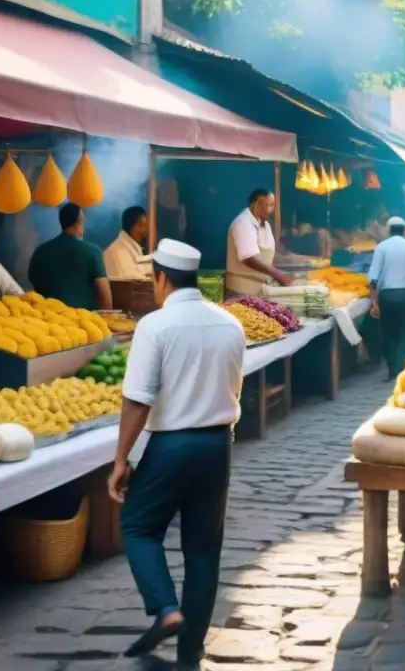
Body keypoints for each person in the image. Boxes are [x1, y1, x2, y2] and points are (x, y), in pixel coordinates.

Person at [109, 239, 243, 669]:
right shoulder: (230, 324)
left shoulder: (155, 325)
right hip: (217, 444)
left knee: (137, 525)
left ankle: (166, 609)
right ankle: (192, 649)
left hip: (171, 444)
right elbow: (234, 388)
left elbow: (137, 400)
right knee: (203, 549)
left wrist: (120, 460)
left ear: (161, 278)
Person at [368, 217, 405, 380]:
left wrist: (374, 302)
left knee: (389, 333)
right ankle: (402, 368)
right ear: (404, 230)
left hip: (387, 296)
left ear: (389, 230)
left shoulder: (381, 247)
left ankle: (393, 368)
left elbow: (373, 278)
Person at [28, 204, 112, 310]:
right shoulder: (92, 251)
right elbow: (105, 295)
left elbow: (33, 280)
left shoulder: (40, 251)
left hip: (46, 319)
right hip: (82, 321)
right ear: (80, 222)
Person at [226, 189, 291, 296]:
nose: (270, 210)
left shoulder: (265, 225)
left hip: (258, 290)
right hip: (241, 291)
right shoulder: (244, 223)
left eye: (272, 205)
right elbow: (249, 258)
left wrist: (290, 262)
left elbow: (268, 255)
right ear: (255, 204)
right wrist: (279, 276)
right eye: (266, 205)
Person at [104, 206, 151, 280]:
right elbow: (131, 280)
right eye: (140, 225)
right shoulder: (118, 251)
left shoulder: (129, 247)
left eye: (145, 226)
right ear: (129, 226)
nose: (144, 230)